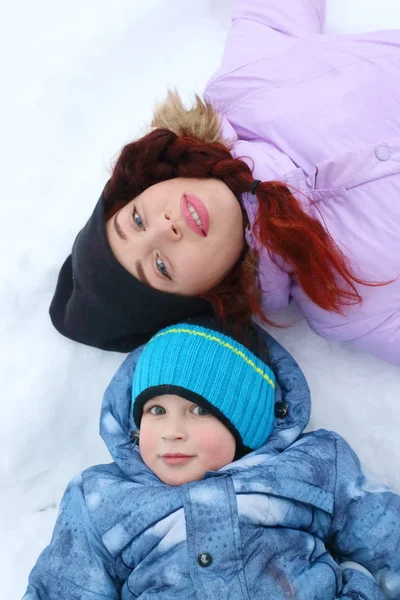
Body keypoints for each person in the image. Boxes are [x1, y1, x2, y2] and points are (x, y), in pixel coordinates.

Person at [50, 1, 400, 363]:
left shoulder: (245, 84)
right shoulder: (345, 303)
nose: (165, 228)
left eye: (137, 220)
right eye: (160, 266)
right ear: (207, 294)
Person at [24, 317, 400, 599]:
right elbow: (64, 586)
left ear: (246, 427)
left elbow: (385, 534)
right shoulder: (102, 499)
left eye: (199, 411)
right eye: (156, 411)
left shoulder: (311, 465)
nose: (172, 430)